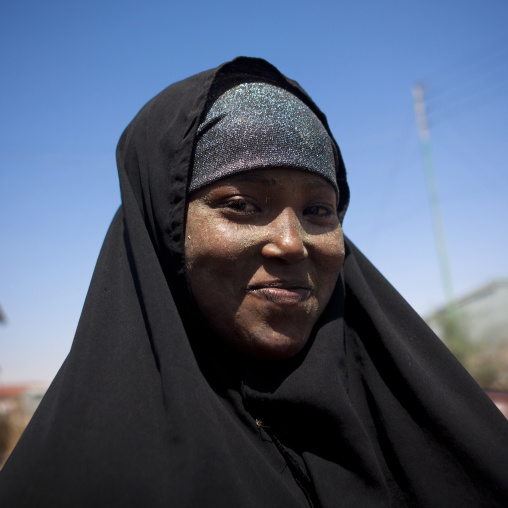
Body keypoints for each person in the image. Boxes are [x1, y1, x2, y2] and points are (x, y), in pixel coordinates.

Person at [0, 57, 507, 507]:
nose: (291, 242)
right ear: (165, 229)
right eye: (241, 205)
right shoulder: (79, 479)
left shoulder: (434, 429)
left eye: (318, 210)